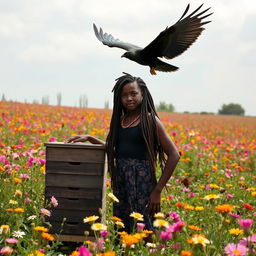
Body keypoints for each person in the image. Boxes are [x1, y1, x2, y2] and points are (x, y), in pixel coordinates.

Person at [66, 73, 180, 233]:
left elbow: (174, 154)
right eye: (124, 95)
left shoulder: (150, 120)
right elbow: (117, 150)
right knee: (123, 228)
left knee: (144, 228)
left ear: (142, 94)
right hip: (122, 183)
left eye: (133, 93)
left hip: (142, 183)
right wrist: (91, 138)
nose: (129, 98)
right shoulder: (120, 121)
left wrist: (157, 191)